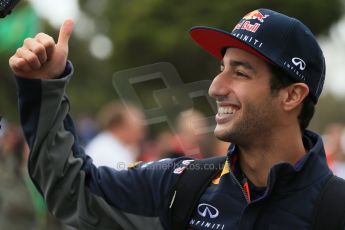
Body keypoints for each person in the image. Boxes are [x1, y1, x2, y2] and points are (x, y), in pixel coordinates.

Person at [9, 8, 334, 230]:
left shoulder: (335, 208)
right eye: (222, 69)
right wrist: (46, 87)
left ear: (292, 95)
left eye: (240, 73)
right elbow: (72, 191)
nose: (215, 88)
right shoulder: (185, 185)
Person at [85, 101, 146, 169]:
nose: (141, 136)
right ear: (119, 127)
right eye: (137, 130)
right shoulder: (109, 152)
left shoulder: (107, 145)